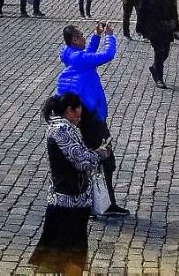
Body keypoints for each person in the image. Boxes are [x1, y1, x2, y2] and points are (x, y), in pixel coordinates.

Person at [53, 25, 127, 218]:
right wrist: (110, 37)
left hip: (87, 114)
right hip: (91, 116)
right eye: (81, 36)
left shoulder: (72, 55)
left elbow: (87, 54)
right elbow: (106, 55)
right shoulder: (79, 59)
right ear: (75, 40)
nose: (84, 38)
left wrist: (96, 36)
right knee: (105, 159)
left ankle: (101, 202)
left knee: (101, 158)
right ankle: (102, 203)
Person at [31, 93, 100, 275]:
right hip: (69, 202)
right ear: (70, 110)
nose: (81, 113)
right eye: (79, 109)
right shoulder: (62, 130)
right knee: (72, 252)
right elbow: (81, 161)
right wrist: (99, 155)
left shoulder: (63, 127)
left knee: (58, 251)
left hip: (64, 199)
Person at [137, 0, 179, 89]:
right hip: (153, 29)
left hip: (166, 28)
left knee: (165, 52)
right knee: (159, 52)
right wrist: (140, 29)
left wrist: (176, 28)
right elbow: (141, 13)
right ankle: (159, 78)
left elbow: (174, 13)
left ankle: (155, 67)